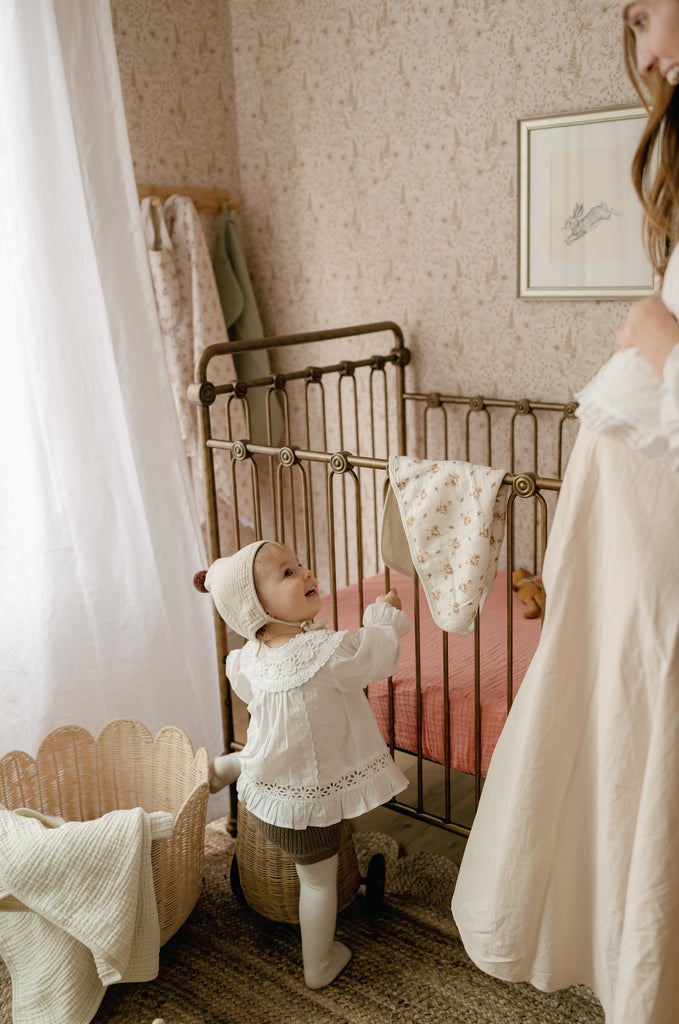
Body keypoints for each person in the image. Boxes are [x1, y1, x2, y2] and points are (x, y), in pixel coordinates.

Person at [451, 3, 679, 1022]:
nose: (644, 52)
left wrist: (655, 330)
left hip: (652, 538)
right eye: (629, 28)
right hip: (631, 534)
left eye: (646, 15)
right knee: (623, 755)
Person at [193, 540, 409, 989]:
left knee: (269, 745)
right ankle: (319, 965)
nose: (307, 573)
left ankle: (229, 768)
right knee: (318, 885)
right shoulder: (328, 653)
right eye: (288, 573)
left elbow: (256, 701)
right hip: (304, 809)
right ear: (257, 607)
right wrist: (383, 616)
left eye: (300, 565)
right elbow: (376, 655)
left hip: (264, 795)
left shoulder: (248, 657)